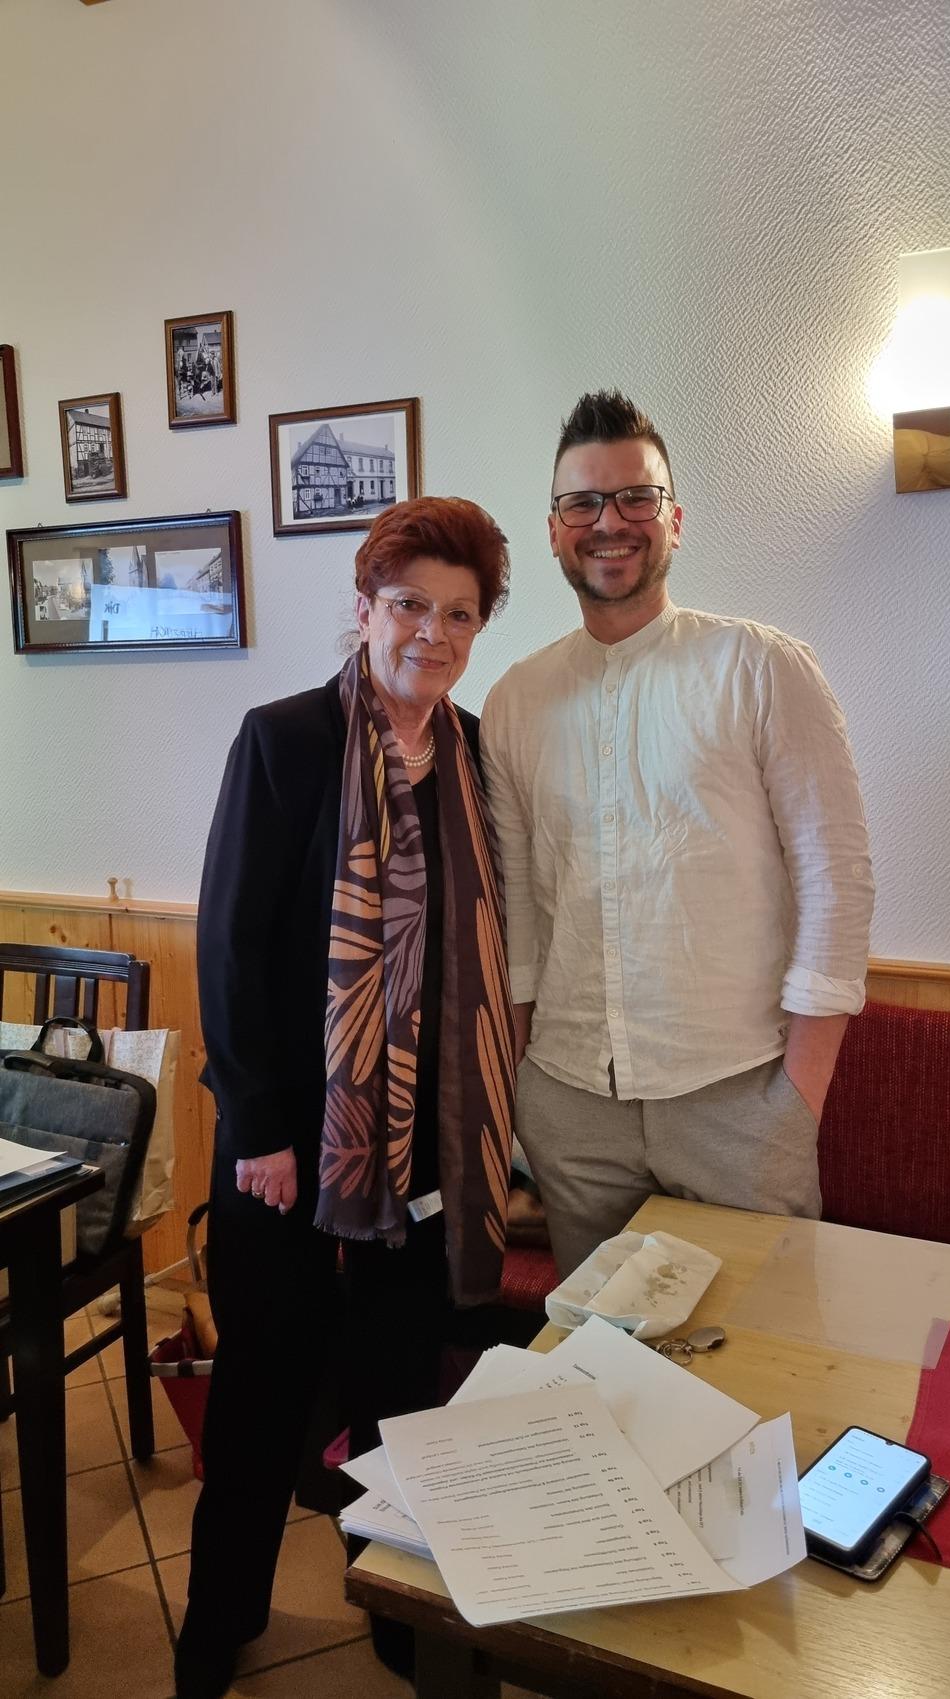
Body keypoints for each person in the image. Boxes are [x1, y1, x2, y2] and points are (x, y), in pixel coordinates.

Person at [175, 497, 516, 1699]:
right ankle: (216, 1623)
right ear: (364, 608)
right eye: (410, 602)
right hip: (289, 1147)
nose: (433, 629)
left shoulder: (471, 752)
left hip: (425, 1147)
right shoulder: (284, 740)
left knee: (393, 1399)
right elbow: (229, 942)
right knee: (263, 1397)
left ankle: (385, 1603)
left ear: (479, 630)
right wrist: (260, 1123)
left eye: (459, 612)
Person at [480, 390, 875, 1279]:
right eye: (582, 502)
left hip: (738, 1096)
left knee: (761, 1381)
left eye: (635, 497)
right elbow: (517, 913)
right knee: (601, 1370)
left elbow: (838, 879)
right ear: (553, 530)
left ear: (674, 519)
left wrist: (795, 1101)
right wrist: (518, 1095)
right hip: (570, 1102)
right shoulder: (515, 701)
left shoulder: (760, 667)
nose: (609, 522)